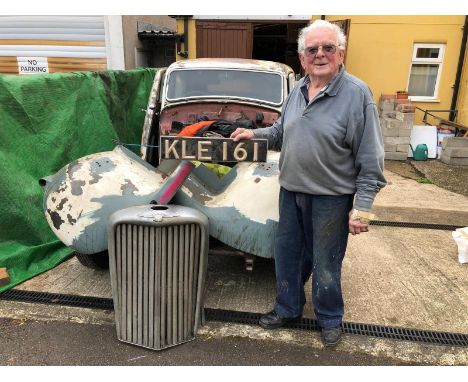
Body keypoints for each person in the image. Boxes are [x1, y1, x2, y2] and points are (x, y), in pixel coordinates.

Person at [230, 19, 387, 347]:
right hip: (291, 192)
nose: (320, 54)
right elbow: (279, 133)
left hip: (331, 198)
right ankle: (287, 309)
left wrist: (363, 209)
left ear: (340, 54)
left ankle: (330, 318)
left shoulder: (357, 95)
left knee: (326, 262)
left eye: (328, 48)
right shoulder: (297, 90)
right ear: (302, 58)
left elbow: (371, 158)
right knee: (287, 255)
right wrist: (253, 133)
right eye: (312, 49)